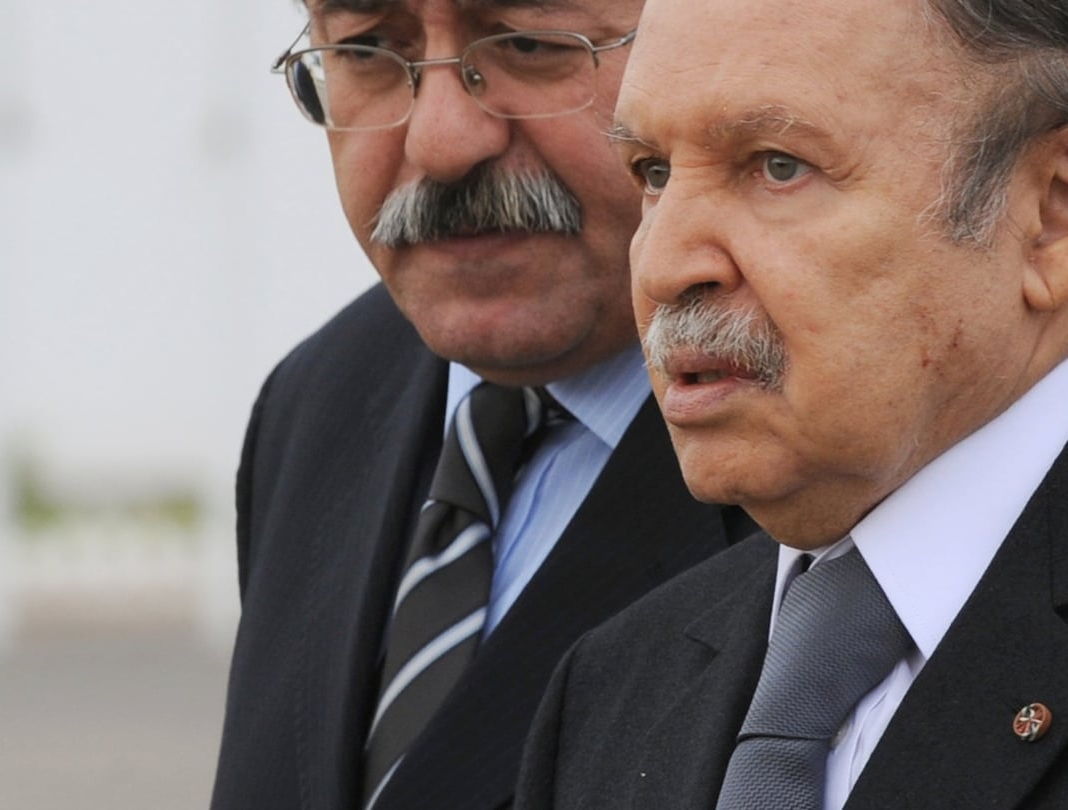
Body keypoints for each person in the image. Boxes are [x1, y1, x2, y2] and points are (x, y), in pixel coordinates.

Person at [516, 0, 1068, 807]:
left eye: (776, 165)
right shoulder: (613, 687)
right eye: (653, 173)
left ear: (1062, 206)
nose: (662, 266)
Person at [208, 1, 755, 808]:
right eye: (365, 51)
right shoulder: (320, 398)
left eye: (529, 43)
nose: (442, 142)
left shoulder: (838, 454)